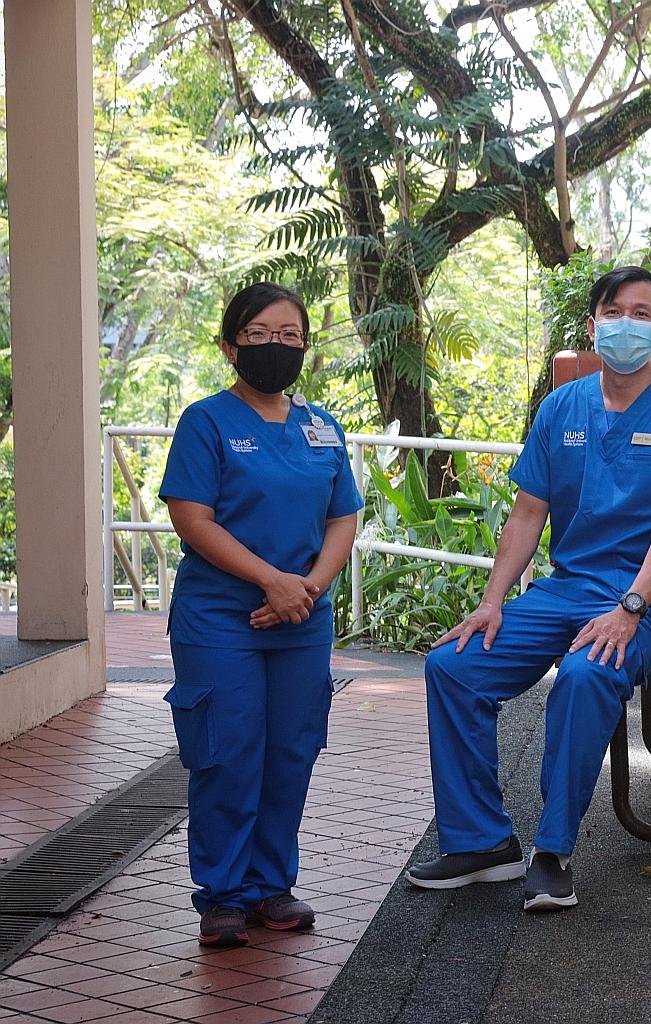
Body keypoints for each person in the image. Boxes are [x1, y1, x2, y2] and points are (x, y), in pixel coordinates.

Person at [407, 266, 651, 912]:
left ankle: (552, 852)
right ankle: (480, 842)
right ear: (592, 325)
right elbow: (528, 514)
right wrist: (492, 601)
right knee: (453, 665)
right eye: (614, 311)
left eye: (642, 314)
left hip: (648, 600)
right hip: (566, 590)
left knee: (585, 676)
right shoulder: (562, 408)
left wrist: (630, 609)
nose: (627, 324)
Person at [160, 282, 363, 947]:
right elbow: (192, 518)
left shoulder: (321, 425)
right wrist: (270, 581)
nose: (276, 348)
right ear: (229, 345)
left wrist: (304, 588)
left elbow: (344, 514)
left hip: (302, 618)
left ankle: (271, 887)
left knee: (291, 752)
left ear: (305, 346)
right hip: (222, 619)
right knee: (228, 753)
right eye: (259, 335)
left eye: (290, 337)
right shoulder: (206, 421)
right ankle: (222, 895)